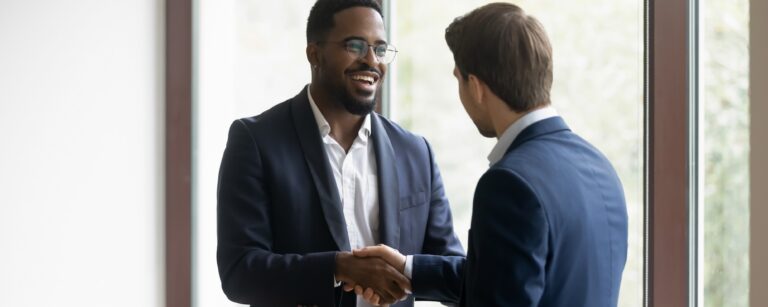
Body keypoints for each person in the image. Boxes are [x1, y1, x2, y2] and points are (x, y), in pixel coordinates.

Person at [352, 3, 628, 306]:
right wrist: (409, 269)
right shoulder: (601, 167)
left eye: (458, 79)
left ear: (477, 86)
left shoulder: (510, 184)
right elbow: (508, 277)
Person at [216, 0, 464, 306]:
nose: (372, 61)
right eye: (355, 46)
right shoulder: (255, 141)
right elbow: (239, 273)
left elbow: (455, 273)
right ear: (314, 54)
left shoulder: (416, 153)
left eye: (380, 48)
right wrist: (337, 268)